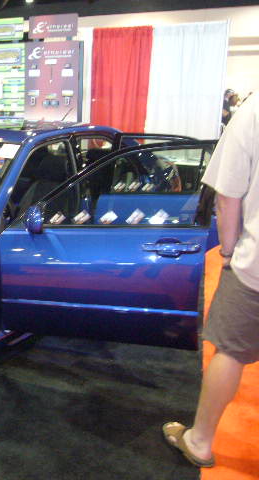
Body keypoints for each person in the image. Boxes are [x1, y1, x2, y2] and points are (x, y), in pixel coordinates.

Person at [162, 92, 259, 468]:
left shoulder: (252, 112)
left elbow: (227, 197)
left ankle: (200, 441)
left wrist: (229, 252)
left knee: (230, 352)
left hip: (255, 268)